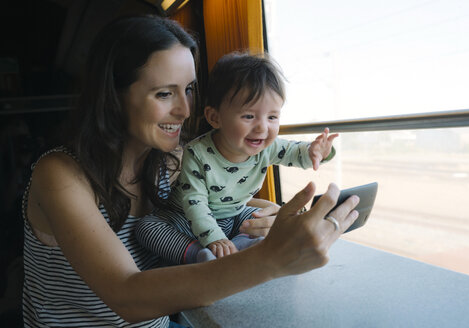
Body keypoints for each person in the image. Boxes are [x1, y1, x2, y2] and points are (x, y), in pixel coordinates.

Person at [22, 15, 360, 327]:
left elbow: (214, 201)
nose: (185, 110)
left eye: (189, 90)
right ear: (113, 96)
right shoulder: (61, 175)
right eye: (164, 93)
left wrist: (270, 213)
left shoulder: (170, 159)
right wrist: (272, 259)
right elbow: (125, 294)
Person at [136, 53, 338, 263]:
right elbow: (194, 202)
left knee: (262, 220)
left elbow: (296, 152)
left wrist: (317, 152)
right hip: (184, 218)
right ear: (215, 117)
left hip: (234, 216)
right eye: (249, 116)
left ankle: (243, 246)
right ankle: (198, 254)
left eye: (272, 117)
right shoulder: (197, 152)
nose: (262, 127)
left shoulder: (267, 147)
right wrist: (213, 238)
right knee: (147, 228)